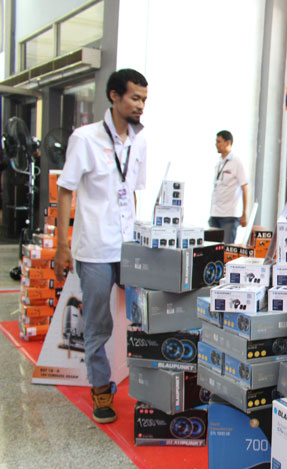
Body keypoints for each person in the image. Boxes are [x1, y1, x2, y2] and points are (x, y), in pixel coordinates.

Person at [54, 69, 149, 424]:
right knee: (98, 323)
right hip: (94, 248)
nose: (140, 106)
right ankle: (100, 388)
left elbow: (132, 192)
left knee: (146, 314)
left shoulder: (139, 141)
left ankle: (151, 385)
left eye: (144, 100)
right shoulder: (85, 138)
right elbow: (65, 190)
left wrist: (137, 240)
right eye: (134, 98)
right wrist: (62, 247)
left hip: (127, 247)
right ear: (114, 96)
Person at [208, 130, 248, 243]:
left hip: (229, 216)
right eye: (216, 141)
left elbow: (244, 188)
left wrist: (244, 213)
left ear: (227, 142)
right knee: (212, 249)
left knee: (226, 249)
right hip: (215, 214)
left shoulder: (237, 162)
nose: (216, 144)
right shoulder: (219, 163)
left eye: (219, 141)